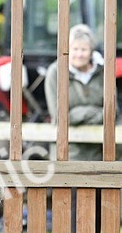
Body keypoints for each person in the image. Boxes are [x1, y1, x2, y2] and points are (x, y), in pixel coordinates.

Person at [42, 24, 105, 161]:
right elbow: (59, 116)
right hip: (67, 153)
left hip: (97, 154)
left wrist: (77, 113)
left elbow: (112, 112)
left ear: (91, 51)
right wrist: (92, 112)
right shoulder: (55, 73)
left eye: (84, 49)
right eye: (75, 49)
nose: (79, 54)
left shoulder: (103, 72)